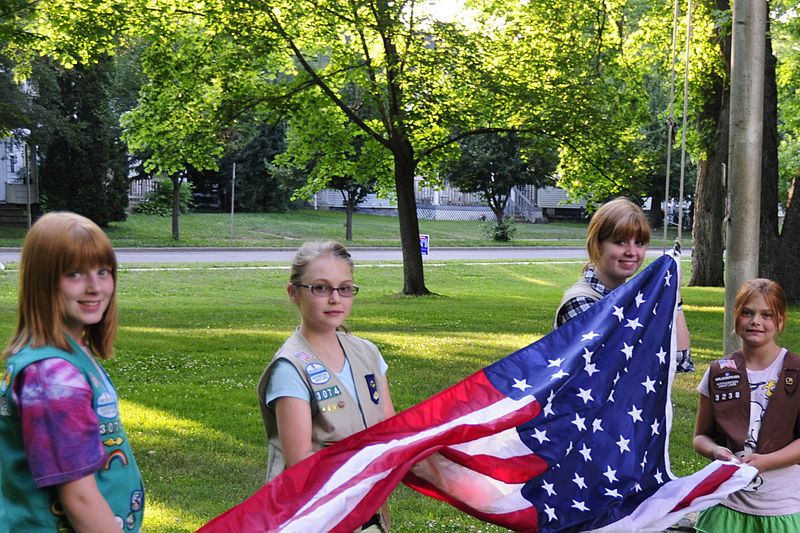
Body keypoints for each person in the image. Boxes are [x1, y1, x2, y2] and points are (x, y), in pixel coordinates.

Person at [0, 212, 144, 532]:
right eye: (75, 274)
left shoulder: (66, 354)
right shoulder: (51, 377)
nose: (95, 287)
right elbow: (78, 498)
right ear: (42, 281)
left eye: (103, 271)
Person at [257, 241, 395, 532]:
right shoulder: (291, 367)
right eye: (321, 288)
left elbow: (390, 429)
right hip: (314, 513)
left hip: (368, 507)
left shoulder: (368, 353)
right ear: (293, 293)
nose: (335, 298)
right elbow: (301, 463)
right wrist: (367, 470)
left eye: (344, 288)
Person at [692, 278, 800, 531]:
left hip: (781, 509)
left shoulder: (796, 372)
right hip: (724, 506)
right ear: (735, 317)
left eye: (767, 315)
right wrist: (717, 452)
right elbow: (700, 437)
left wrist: (765, 461)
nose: (755, 321)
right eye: (747, 313)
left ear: (781, 321)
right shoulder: (719, 372)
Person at [553, 197, 693, 373]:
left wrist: (675, 295)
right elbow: (618, 367)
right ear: (597, 245)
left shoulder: (636, 300)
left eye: (639, 243)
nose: (631, 252)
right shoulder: (581, 303)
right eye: (620, 242)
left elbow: (680, 360)